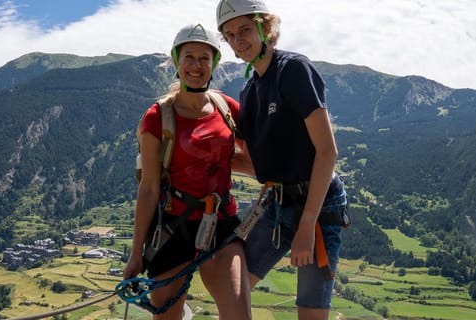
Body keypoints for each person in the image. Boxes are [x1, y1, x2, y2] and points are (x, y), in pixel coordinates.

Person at [216, 0, 348, 319]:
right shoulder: (250, 91)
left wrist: (305, 225)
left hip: (318, 208)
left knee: (311, 312)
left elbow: (327, 151)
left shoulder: (293, 70)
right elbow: (258, 166)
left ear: (266, 28)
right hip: (278, 205)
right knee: (232, 288)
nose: (238, 41)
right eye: (230, 35)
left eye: (245, 30)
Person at [122, 23, 251, 320]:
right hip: (173, 226)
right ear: (177, 63)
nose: (196, 65)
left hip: (220, 223)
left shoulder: (226, 108)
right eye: (189, 57)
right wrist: (135, 252)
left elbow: (255, 162)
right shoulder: (158, 117)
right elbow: (150, 188)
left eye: (204, 58)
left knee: (239, 316)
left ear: (214, 64)